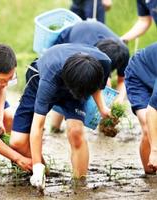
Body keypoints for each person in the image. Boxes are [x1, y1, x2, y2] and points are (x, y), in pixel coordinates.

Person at [9, 43, 111, 190]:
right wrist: (37, 165)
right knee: (18, 142)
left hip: (78, 81)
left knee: (76, 132)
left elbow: (97, 86)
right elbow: (38, 125)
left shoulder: (103, 63)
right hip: (40, 79)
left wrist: (102, 108)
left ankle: (80, 186)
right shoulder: (49, 79)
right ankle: (41, 172)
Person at [50, 20, 129, 133]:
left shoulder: (123, 52)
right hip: (69, 39)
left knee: (106, 86)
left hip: (96, 40)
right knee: (68, 89)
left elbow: (123, 80)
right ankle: (55, 128)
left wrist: (119, 100)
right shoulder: (81, 52)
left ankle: (104, 125)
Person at [125, 43, 157, 176]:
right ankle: (150, 174)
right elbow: (152, 110)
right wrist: (155, 150)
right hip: (139, 75)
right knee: (148, 128)